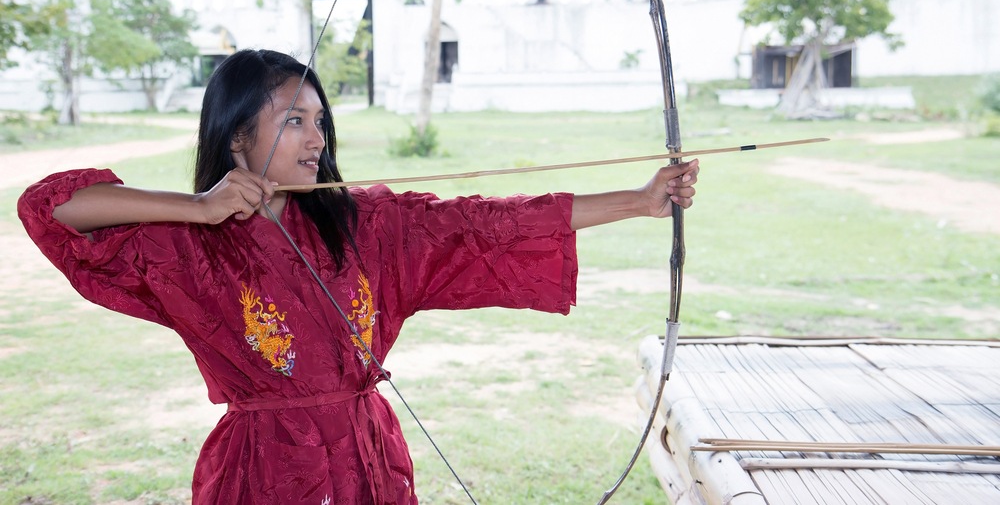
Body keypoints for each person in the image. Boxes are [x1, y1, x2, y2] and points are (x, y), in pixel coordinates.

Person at [18, 48, 699, 505]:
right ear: (236, 138)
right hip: (264, 470)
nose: (316, 138)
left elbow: (485, 223)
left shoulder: (366, 223)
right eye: (293, 121)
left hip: (365, 461)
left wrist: (640, 201)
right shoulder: (190, 248)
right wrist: (197, 208)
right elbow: (50, 206)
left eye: (320, 121)